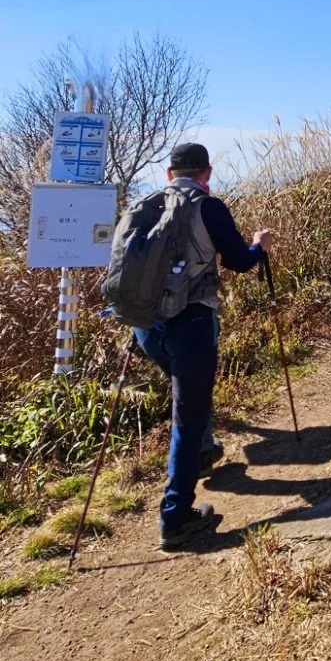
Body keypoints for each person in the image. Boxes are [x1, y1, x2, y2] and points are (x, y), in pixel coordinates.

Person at [135, 142, 274, 552]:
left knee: (189, 399)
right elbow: (239, 261)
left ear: (169, 173)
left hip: (145, 327)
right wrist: (259, 245)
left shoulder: (145, 205)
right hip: (191, 323)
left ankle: (204, 451)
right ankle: (175, 517)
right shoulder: (208, 207)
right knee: (188, 414)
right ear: (207, 173)